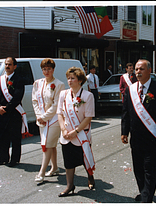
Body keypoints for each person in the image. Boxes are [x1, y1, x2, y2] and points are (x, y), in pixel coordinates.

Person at [121, 59, 156, 203]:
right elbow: (125, 112)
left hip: (152, 137)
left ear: (149, 70)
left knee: (150, 169)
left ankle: (146, 198)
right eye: (136, 69)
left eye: (141, 69)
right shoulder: (131, 89)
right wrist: (124, 131)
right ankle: (144, 192)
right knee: (138, 169)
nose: (138, 72)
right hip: (136, 138)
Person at [57, 67, 95, 197]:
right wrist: (63, 129)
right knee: (68, 161)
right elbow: (59, 114)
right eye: (68, 78)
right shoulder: (63, 94)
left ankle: (90, 176)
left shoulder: (88, 96)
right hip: (66, 134)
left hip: (81, 133)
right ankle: (70, 185)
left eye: (73, 78)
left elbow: (88, 117)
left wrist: (76, 131)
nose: (70, 80)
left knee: (85, 159)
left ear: (80, 80)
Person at [32, 58, 65, 183]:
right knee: (51, 145)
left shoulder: (59, 84)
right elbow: (34, 100)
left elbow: (56, 105)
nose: (46, 72)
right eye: (44, 69)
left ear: (53, 69)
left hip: (54, 119)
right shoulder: (37, 83)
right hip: (41, 119)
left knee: (47, 145)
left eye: (49, 69)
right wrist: (38, 115)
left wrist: (44, 116)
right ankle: (55, 168)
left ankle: (41, 173)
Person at [0, 57, 25, 167]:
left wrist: (6, 108)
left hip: (14, 113)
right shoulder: (0, 79)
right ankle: (3, 158)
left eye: (10, 64)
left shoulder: (19, 79)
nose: (7, 66)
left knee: (15, 137)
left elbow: (17, 97)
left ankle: (14, 160)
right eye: (6, 64)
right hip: (1, 113)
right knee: (1, 136)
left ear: (14, 66)